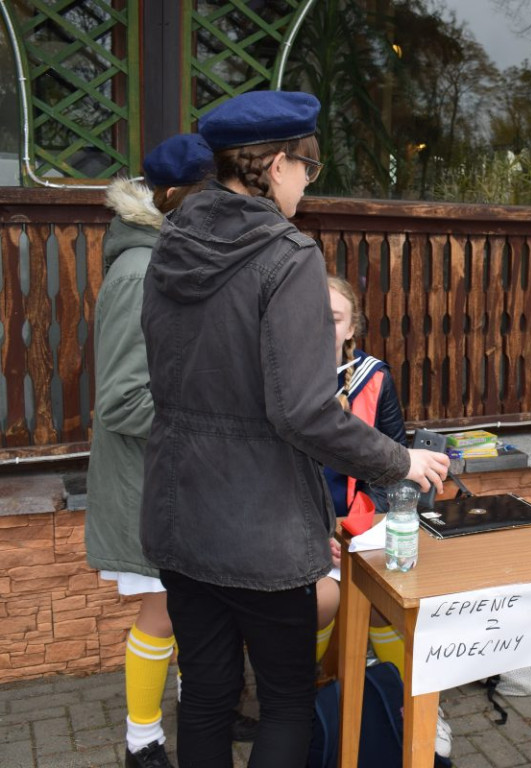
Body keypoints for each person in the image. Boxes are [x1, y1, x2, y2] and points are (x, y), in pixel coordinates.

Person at [138, 90, 448, 767]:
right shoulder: (288, 256)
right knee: (282, 699)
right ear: (276, 165)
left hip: (180, 510)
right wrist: (398, 460)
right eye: (309, 165)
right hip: (261, 527)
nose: (309, 182)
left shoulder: (170, 243)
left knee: (208, 694)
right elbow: (303, 411)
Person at [85, 133, 256, 768]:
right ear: (172, 198)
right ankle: (142, 742)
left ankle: (200, 711)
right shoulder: (138, 272)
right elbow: (124, 402)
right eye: (208, 197)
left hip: (185, 474)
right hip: (150, 482)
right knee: (163, 610)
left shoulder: (173, 255)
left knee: (193, 610)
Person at [315, 275, 452, 759]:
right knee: (320, 601)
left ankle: (410, 703)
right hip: (302, 532)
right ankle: (308, 698)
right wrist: (317, 535)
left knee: (393, 597)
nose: (324, 327)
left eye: (334, 318)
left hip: (362, 524)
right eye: (314, 315)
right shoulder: (284, 377)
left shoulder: (374, 376)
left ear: (352, 327)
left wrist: (379, 528)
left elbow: (394, 465)